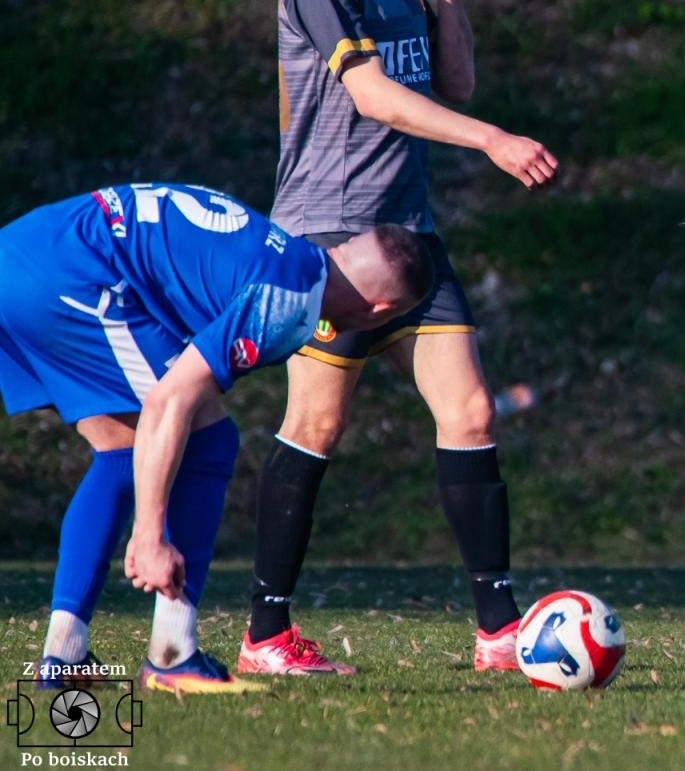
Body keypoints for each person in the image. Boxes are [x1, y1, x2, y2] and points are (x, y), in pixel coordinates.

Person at [239, 0, 560, 677]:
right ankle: (266, 633)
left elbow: (451, 83)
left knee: (472, 411)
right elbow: (374, 96)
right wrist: (491, 141)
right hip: (333, 242)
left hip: (411, 234)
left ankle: (498, 629)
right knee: (316, 421)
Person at [0, 182, 430, 694]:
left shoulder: (291, 255)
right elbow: (168, 401)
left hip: (26, 253)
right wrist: (150, 534)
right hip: (74, 279)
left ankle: (65, 655)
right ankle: (173, 655)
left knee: (121, 454)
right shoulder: (286, 298)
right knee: (206, 442)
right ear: (381, 312)